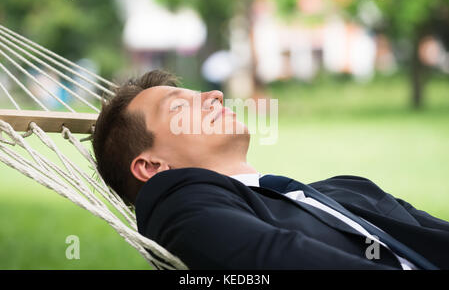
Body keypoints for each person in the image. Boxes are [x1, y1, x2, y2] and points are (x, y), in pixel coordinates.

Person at [92, 70, 449, 270]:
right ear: (152, 167)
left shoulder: (349, 189)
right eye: (177, 107)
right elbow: (274, 256)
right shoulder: (179, 207)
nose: (214, 95)